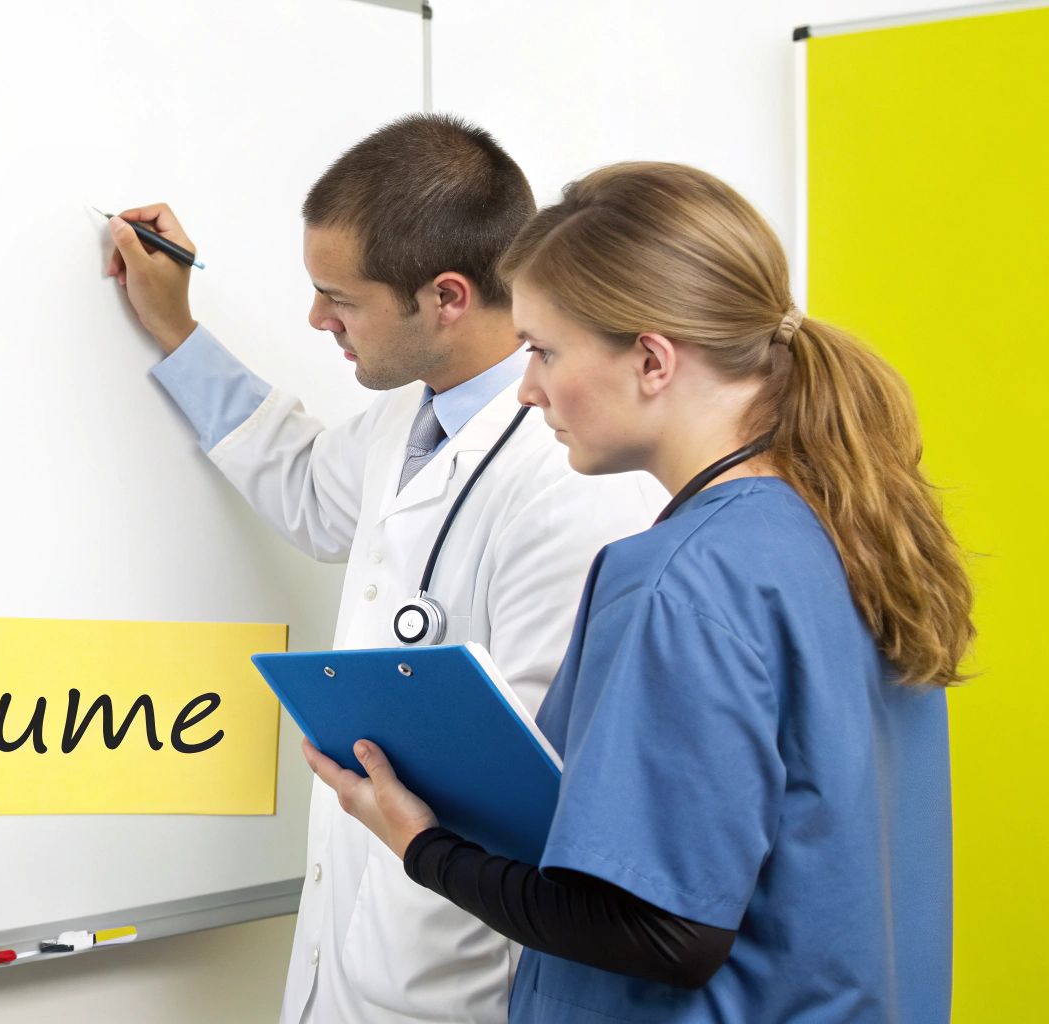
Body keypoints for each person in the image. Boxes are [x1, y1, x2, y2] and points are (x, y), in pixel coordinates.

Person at [305, 161, 971, 1022]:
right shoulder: (844, 526)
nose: (529, 388)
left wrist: (421, 845)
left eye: (544, 351)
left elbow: (663, 933)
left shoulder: (678, 579)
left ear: (652, 360)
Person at [105, 115, 664, 1022]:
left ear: (446, 297)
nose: (317, 319)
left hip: (456, 986)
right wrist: (176, 329)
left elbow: (532, 786)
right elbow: (303, 481)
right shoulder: (405, 423)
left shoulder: (572, 477)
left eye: (340, 298)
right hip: (356, 960)